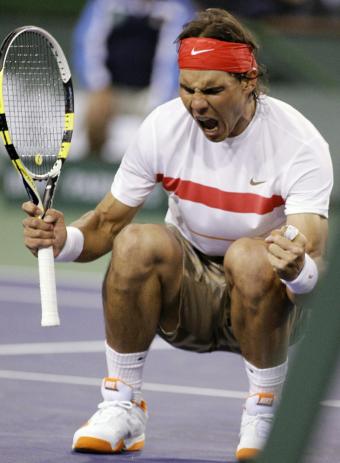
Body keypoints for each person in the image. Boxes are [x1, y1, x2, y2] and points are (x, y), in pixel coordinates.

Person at [22, 8, 333, 461]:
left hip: (269, 301)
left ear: (249, 82)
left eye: (212, 89)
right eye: (187, 88)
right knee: (136, 241)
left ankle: (264, 412)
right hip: (187, 301)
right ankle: (121, 406)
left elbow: (315, 276)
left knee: (251, 255)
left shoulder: (298, 144)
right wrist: (63, 241)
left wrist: (298, 269)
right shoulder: (164, 126)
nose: (196, 103)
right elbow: (107, 225)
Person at [73, 0, 195, 159]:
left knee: (173, 126)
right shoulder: (105, 4)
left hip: (150, 95)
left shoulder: (179, 9)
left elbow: (173, 64)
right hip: (109, 93)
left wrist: (160, 108)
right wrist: (98, 87)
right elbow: (87, 46)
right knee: (94, 115)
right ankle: (93, 165)